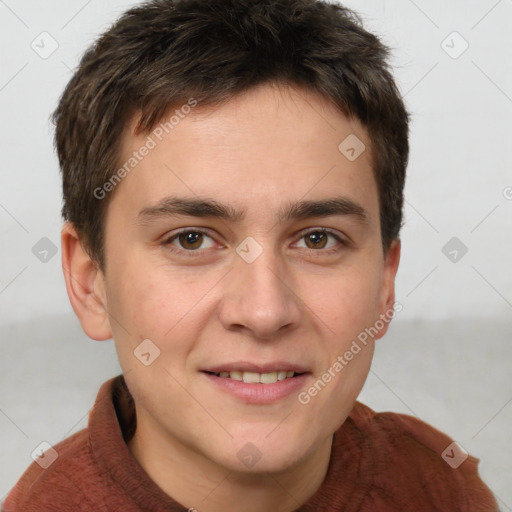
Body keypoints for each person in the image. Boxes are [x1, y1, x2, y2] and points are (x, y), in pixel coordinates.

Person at [3, 0, 498, 510]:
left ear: (384, 284)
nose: (264, 312)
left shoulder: (440, 487)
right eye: (191, 239)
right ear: (90, 282)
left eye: (317, 239)